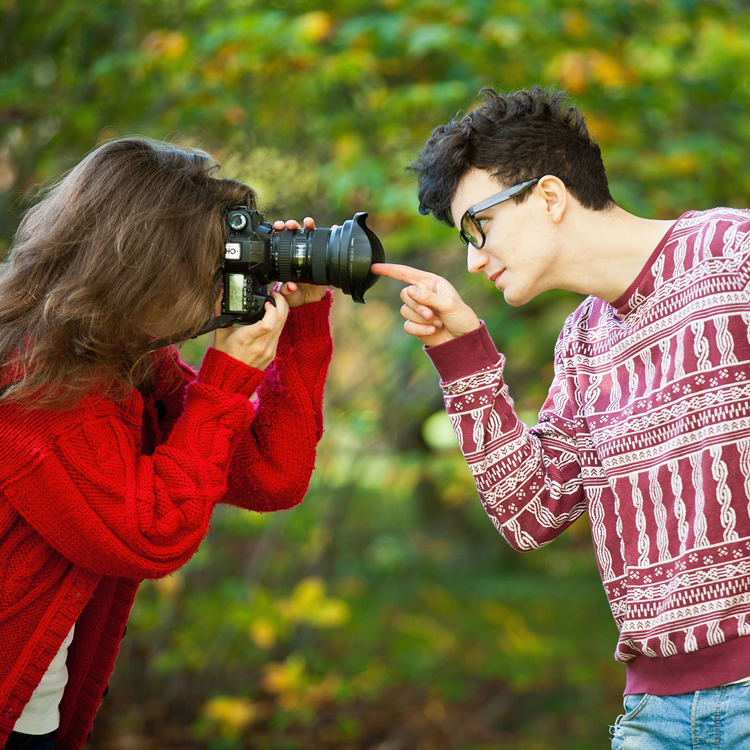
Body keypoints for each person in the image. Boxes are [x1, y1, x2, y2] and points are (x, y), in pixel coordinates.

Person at [372, 86, 750, 749]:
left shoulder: (734, 253)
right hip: (654, 716)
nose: (472, 258)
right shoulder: (581, 342)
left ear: (549, 197)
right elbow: (531, 513)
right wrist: (460, 353)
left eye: (477, 227)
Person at [0, 137, 334, 750]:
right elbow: (151, 535)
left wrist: (303, 330)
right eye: (207, 266)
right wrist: (226, 382)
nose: (219, 286)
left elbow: (271, 476)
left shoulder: (129, 362)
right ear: (141, 270)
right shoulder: (37, 387)